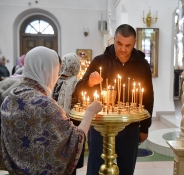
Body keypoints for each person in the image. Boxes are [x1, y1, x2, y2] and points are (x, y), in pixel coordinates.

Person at [0, 46, 102, 175]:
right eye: (56, 72)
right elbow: (73, 141)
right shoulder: (45, 105)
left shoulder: (10, 98)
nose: (56, 77)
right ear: (47, 71)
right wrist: (90, 113)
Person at [72, 24, 154, 175]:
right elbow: (79, 89)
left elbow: (148, 96)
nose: (123, 49)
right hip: (101, 125)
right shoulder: (100, 61)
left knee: (126, 169)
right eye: (119, 44)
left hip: (130, 126)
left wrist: (144, 127)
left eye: (128, 45)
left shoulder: (142, 65)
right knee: (96, 168)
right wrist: (90, 82)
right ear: (114, 40)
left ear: (134, 43)